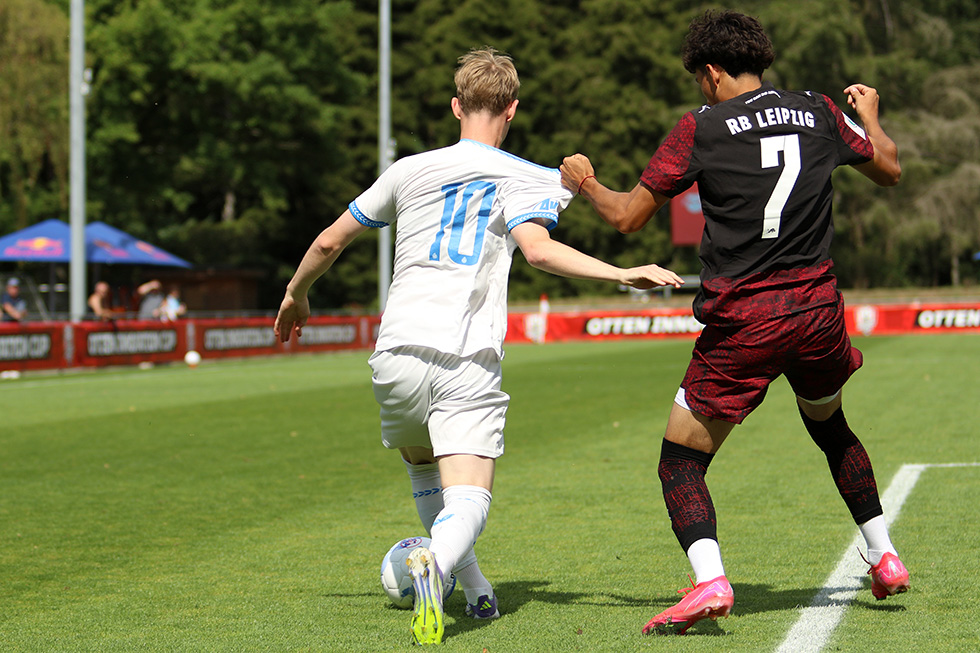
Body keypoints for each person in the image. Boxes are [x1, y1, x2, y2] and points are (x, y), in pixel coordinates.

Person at [275, 47, 684, 645]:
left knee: (423, 474)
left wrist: (295, 295)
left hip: (396, 354)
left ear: (455, 105)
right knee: (467, 496)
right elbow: (540, 251)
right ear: (512, 110)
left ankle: (475, 590)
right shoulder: (522, 175)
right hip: (464, 356)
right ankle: (434, 567)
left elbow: (330, 242)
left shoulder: (408, 170)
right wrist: (623, 273)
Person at [560, 10, 908, 635]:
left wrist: (583, 180)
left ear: (713, 71)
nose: (700, 87)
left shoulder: (701, 127)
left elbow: (625, 218)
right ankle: (885, 556)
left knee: (679, 462)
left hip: (746, 319)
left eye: (700, 77)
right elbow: (889, 168)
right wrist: (873, 114)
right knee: (830, 426)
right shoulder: (820, 109)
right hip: (817, 311)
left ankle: (710, 579)